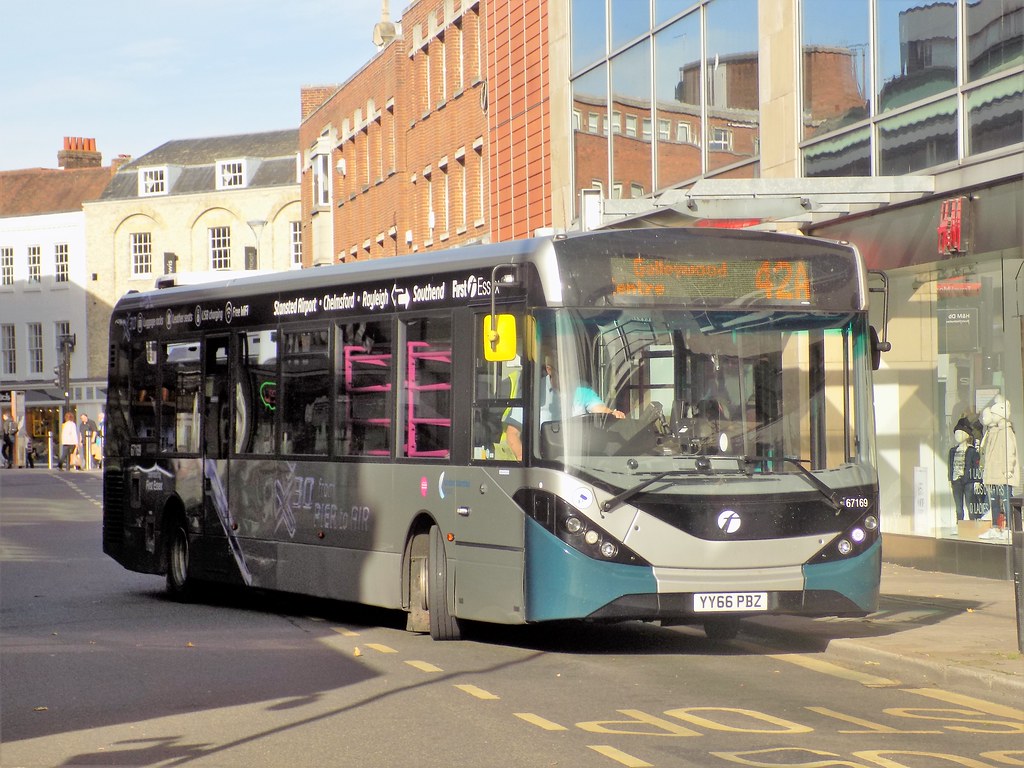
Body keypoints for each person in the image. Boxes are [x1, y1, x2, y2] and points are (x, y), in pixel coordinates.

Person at [502, 356, 623, 461]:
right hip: (543, 460)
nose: (570, 375)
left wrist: (613, 413)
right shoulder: (532, 392)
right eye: (565, 370)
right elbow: (513, 434)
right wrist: (520, 456)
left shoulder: (582, 388)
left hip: (578, 458)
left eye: (571, 370)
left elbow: (600, 409)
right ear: (549, 370)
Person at [979, 398, 1020, 540]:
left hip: (1003, 474)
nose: (992, 417)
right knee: (994, 501)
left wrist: (1008, 469)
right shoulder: (994, 431)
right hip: (994, 474)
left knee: (1006, 501)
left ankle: (1009, 527)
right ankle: (996, 528)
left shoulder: (1007, 432)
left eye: (994, 414)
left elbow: (1010, 451)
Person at [947, 417, 981, 522]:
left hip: (969, 481)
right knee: (958, 507)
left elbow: (976, 467)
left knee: (970, 505)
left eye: (960, 433)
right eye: (956, 433)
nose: (957, 435)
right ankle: (960, 525)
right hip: (956, 481)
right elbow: (950, 465)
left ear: (966, 435)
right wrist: (950, 479)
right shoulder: (952, 451)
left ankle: (973, 524)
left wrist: (977, 481)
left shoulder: (972, 451)